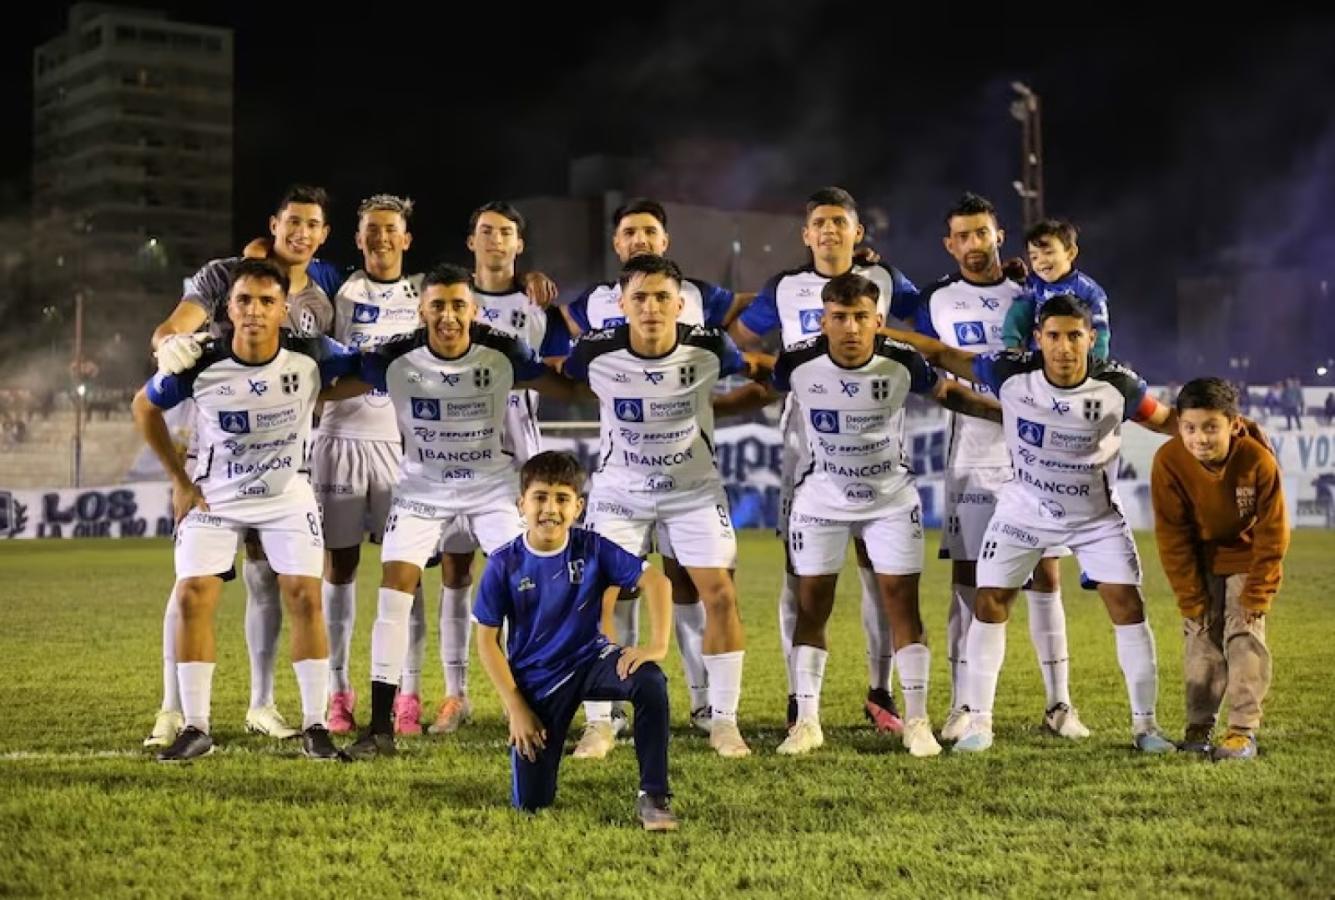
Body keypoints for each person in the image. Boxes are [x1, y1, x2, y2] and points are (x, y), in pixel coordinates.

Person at [131, 258, 355, 762]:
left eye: (266, 302)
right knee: (192, 597)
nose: (254, 311)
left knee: (304, 597)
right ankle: (196, 727)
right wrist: (179, 479)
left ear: (284, 310)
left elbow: (371, 368)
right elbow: (143, 407)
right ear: (228, 309)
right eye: (244, 301)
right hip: (216, 496)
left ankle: (316, 727)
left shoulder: (315, 353)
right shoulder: (199, 362)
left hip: (286, 495)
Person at [474, 451, 677, 829]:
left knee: (649, 681)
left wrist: (656, 646)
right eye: (540, 498)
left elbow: (657, 581)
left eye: (562, 499)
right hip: (538, 682)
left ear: (578, 506)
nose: (550, 509)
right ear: (522, 504)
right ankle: (534, 759)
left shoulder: (593, 548)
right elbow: (486, 641)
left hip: (592, 660)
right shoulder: (503, 563)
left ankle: (654, 795)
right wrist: (516, 706)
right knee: (532, 803)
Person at [1151, 378, 1288, 760]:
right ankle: (1199, 725)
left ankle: (1242, 732)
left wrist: (1258, 593)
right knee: (1200, 635)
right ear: (1179, 425)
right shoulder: (1168, 461)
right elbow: (1172, 537)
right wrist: (1190, 597)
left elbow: (1273, 531)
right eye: (1190, 428)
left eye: (1211, 427)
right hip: (1199, 558)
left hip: (1246, 557)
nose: (1200, 439)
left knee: (1244, 635)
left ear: (1232, 423)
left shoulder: (1257, 458)